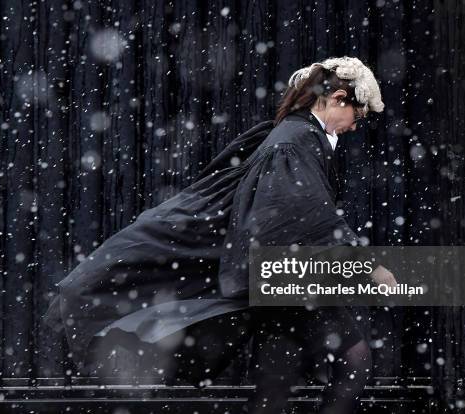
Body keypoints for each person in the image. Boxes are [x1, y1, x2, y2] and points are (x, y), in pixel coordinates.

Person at [44, 56, 385, 413]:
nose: (354, 126)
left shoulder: (290, 134)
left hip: (279, 278)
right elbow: (305, 213)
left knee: (277, 376)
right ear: (338, 98)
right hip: (288, 277)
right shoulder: (295, 140)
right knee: (352, 361)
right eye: (357, 116)